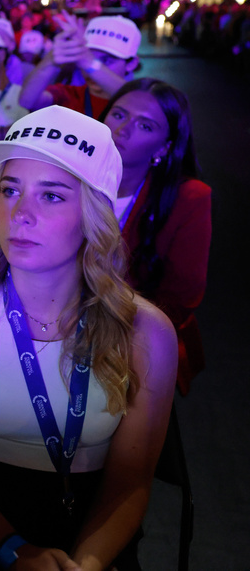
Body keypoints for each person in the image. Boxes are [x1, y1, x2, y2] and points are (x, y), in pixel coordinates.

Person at [0, 106, 177, 569]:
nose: (20, 213)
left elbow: (131, 481)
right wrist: (14, 550)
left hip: (90, 530)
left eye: (51, 196)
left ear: (95, 213)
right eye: (9, 190)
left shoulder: (145, 331)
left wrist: (85, 564)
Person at [101, 79, 210, 395]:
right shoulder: (69, 177)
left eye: (145, 126)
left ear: (164, 147)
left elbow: (181, 299)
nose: (122, 129)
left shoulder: (189, 198)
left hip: (134, 343)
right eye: (118, 115)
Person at [19, 14, 139, 117]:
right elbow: (27, 101)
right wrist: (50, 59)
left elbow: (135, 101)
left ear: (132, 64)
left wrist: (89, 62)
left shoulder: (142, 100)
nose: (89, 72)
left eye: (106, 60)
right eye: (84, 56)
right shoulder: (71, 94)